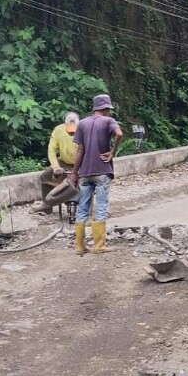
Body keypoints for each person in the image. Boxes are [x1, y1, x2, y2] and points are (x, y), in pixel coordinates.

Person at [68, 94, 123, 255]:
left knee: (82, 207)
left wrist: (74, 172)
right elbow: (119, 134)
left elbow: (80, 149)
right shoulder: (108, 121)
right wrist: (113, 151)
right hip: (102, 171)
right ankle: (99, 245)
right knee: (101, 206)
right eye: (109, 109)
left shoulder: (83, 123)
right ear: (106, 109)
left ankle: (80, 246)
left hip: (85, 173)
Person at [32, 112, 80, 213]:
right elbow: (52, 150)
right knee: (45, 176)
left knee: (87, 183)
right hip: (64, 162)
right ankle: (46, 205)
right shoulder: (58, 130)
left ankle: (85, 207)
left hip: (81, 163)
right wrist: (55, 167)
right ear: (64, 124)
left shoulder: (84, 129)